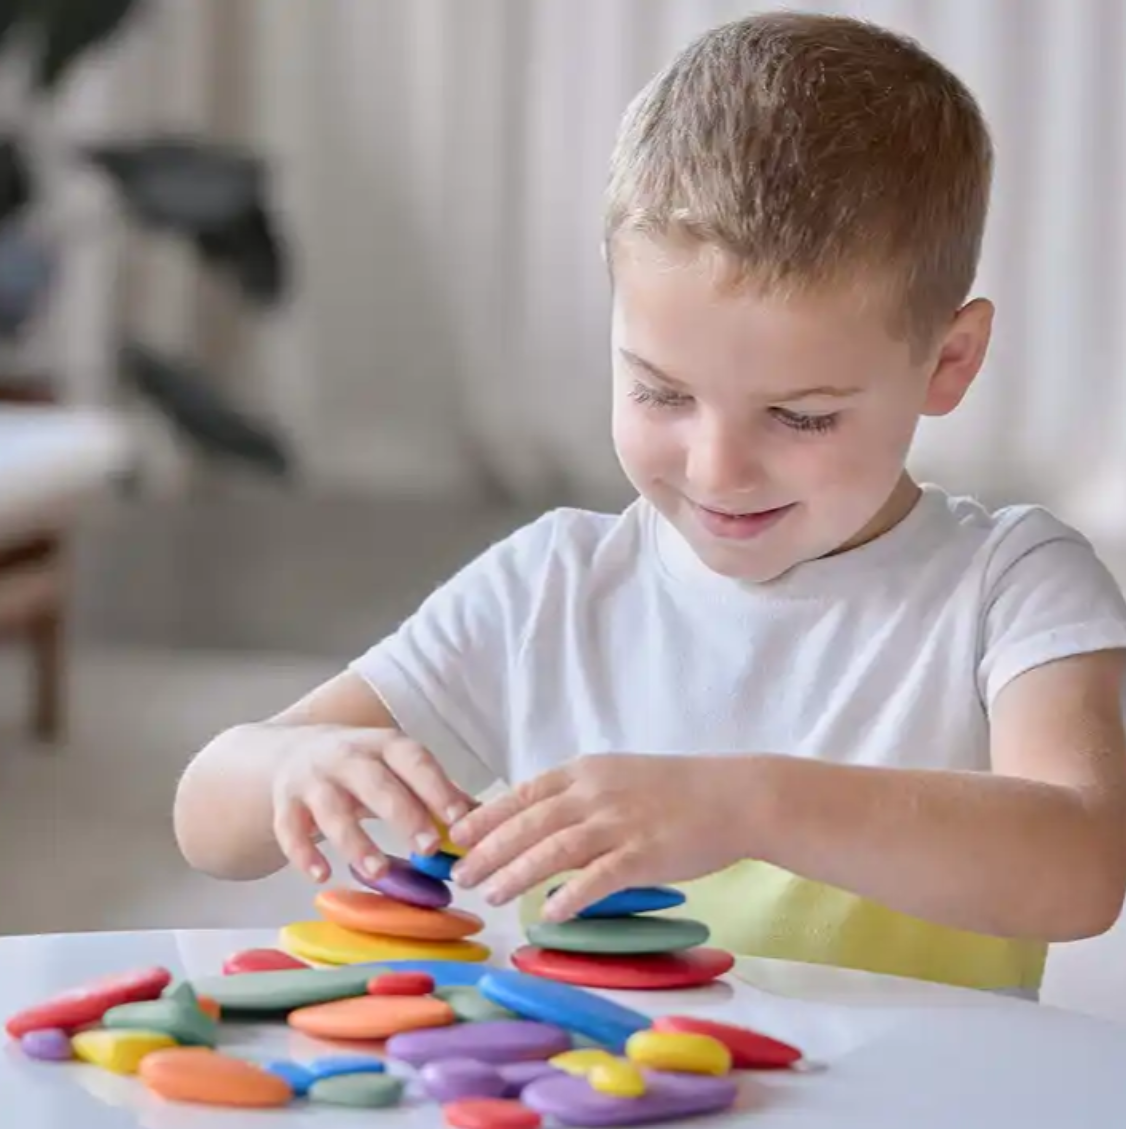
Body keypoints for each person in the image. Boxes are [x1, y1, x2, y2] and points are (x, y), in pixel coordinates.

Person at [174, 12, 1126, 996]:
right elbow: (209, 821)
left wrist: (746, 803)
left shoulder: (1013, 585)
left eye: (799, 417)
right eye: (661, 392)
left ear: (949, 360)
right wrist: (294, 769)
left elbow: (1082, 868)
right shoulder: (551, 588)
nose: (717, 470)